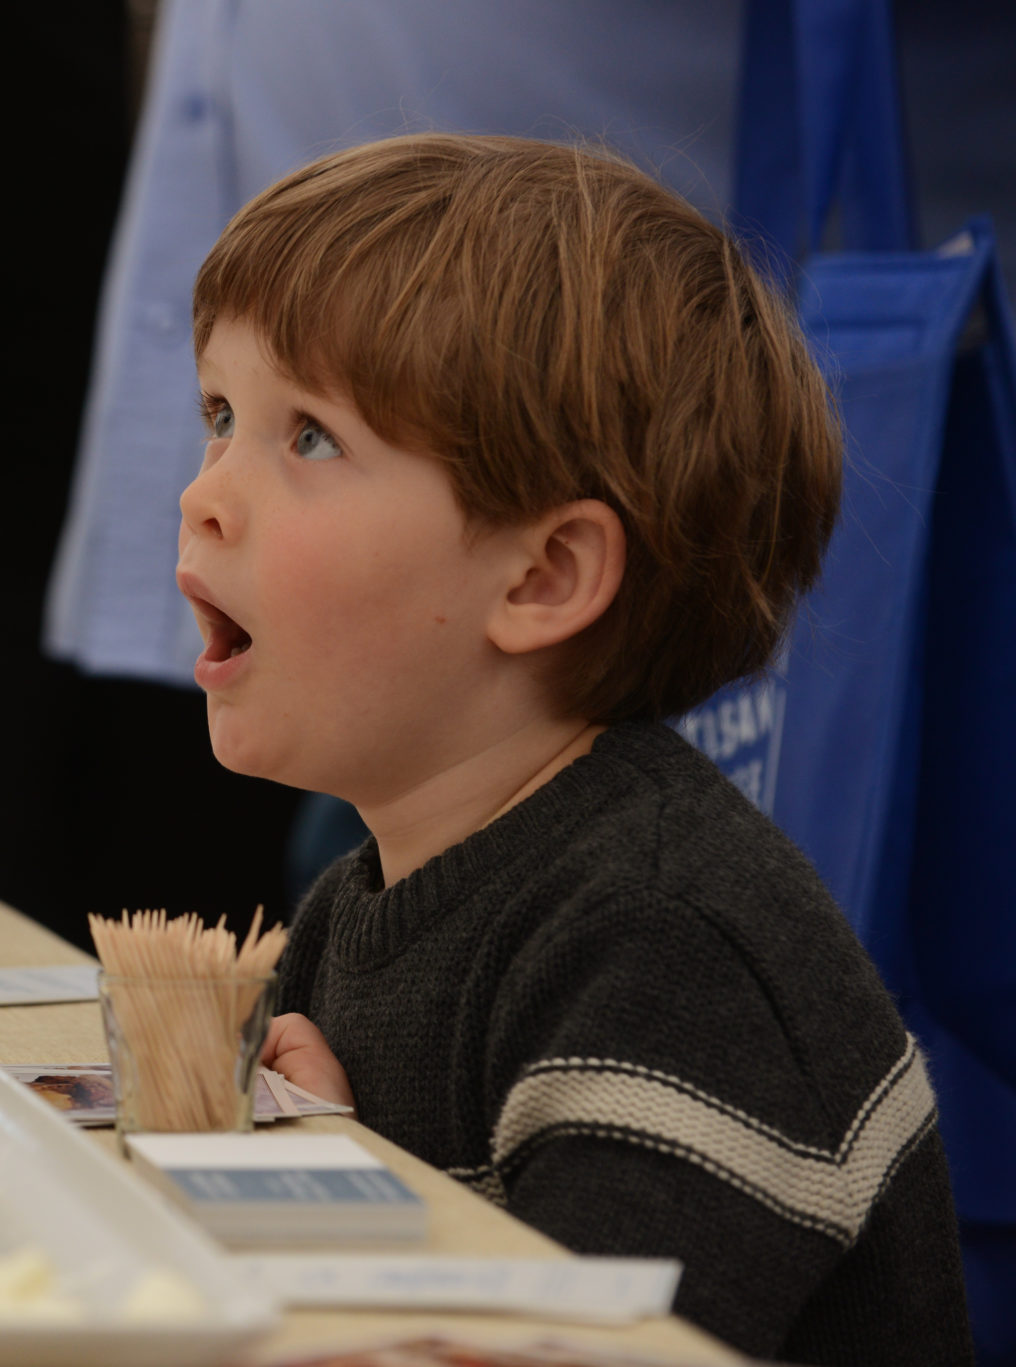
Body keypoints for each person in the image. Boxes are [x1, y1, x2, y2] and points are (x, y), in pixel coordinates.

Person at [194, 135, 972, 1363]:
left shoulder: (665, 943)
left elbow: (569, 1348)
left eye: (309, 439)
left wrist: (329, 1192)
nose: (205, 492)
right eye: (220, 416)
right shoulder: (357, 905)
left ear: (544, 575)